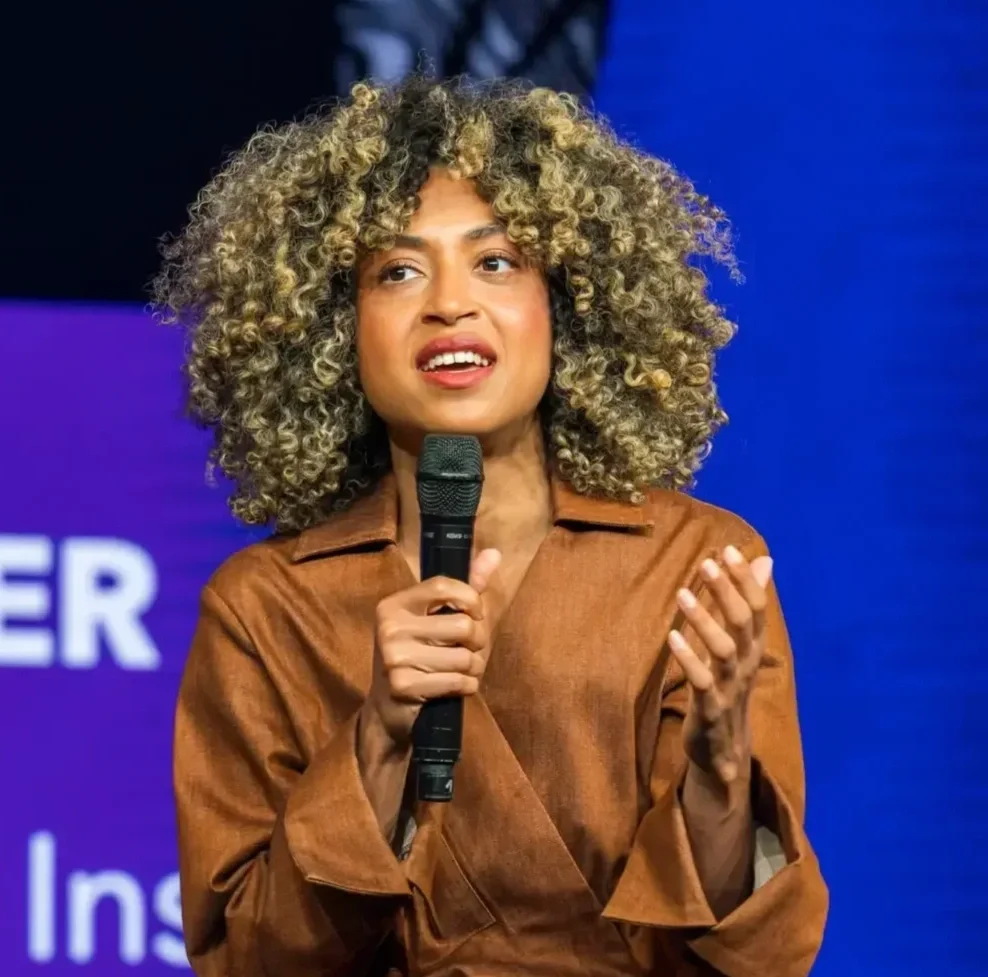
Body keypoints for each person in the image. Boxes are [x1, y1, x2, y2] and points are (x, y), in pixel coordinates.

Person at [154, 76, 828, 977]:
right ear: (332, 331)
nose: (448, 303)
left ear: (570, 302)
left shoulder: (698, 565)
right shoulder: (265, 608)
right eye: (396, 271)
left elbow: (754, 960)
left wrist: (719, 773)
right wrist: (378, 736)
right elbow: (248, 959)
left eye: (497, 261)